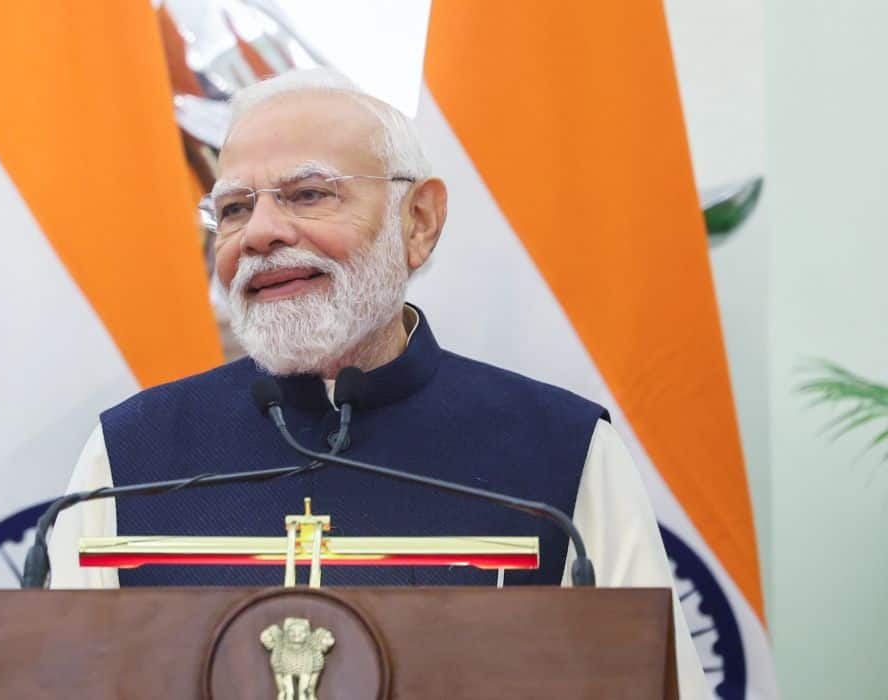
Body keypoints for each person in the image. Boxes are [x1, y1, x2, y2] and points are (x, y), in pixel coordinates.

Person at [49, 69, 709, 697]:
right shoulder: (130, 454)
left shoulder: (561, 452)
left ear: (418, 221)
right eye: (234, 209)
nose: (261, 234)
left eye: (309, 194)